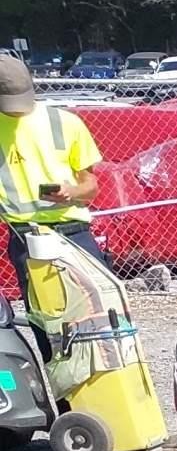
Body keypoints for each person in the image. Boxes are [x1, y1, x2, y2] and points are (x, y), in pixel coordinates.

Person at [0, 52, 113, 296]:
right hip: (25, 237)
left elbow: (91, 186)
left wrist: (71, 192)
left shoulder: (65, 122)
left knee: (101, 307)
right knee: (47, 318)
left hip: (74, 232)